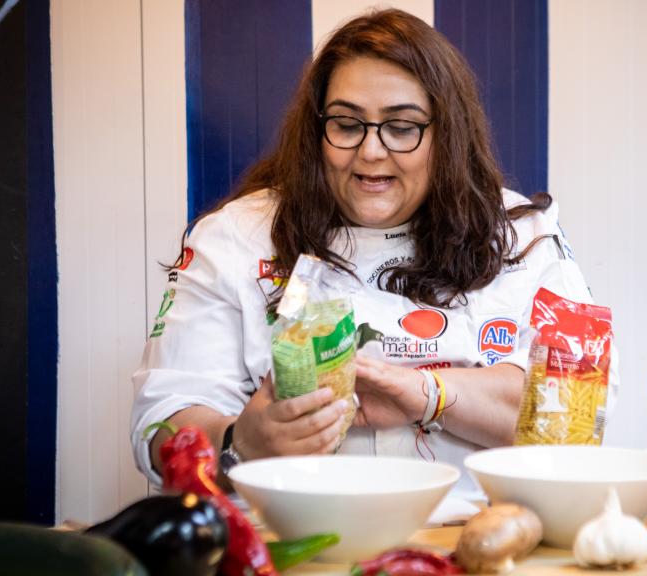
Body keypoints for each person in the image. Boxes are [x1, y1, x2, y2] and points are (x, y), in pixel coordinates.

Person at [130, 8, 593, 501]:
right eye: (348, 124)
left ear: (447, 135)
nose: (371, 151)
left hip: (482, 536)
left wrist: (425, 394)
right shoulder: (235, 238)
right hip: (286, 541)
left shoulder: (522, 235)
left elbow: (578, 412)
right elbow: (160, 421)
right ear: (317, 130)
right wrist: (241, 442)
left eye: (402, 127)